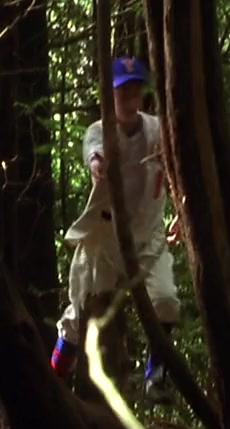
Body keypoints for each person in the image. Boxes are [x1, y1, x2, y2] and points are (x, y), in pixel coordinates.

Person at [49, 56, 180, 404]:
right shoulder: (100, 130)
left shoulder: (157, 131)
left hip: (148, 236)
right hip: (105, 239)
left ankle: (156, 375)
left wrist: (181, 210)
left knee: (165, 300)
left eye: (135, 89)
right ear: (110, 95)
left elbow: (176, 169)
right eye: (123, 91)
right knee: (80, 311)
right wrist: (98, 165)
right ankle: (54, 379)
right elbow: (94, 154)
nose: (130, 98)